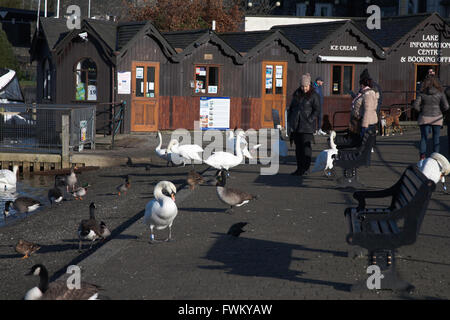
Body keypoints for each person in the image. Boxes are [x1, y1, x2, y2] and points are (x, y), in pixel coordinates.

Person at [287, 74, 320, 176]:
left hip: (307, 126)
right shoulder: (297, 94)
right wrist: (290, 120)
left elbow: (317, 110)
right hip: (296, 125)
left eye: (306, 86)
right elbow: (292, 107)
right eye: (302, 86)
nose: (304, 88)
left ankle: (306, 168)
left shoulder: (314, 95)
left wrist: (310, 119)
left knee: (306, 148)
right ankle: (299, 168)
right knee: (298, 149)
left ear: (309, 85)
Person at [413, 76, 449, 162]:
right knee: (436, 138)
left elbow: (415, 105)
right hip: (437, 117)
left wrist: (421, 110)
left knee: (424, 138)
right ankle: (435, 158)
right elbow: (446, 106)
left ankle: (422, 157)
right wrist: (441, 112)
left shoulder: (422, 93)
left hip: (425, 117)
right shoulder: (440, 93)